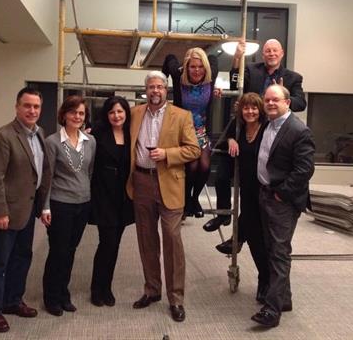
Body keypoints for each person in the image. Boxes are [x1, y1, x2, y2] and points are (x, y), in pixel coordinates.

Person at [213, 38, 307, 250]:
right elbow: (235, 83)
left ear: (281, 53)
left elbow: (300, 103)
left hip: (270, 132)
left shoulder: (293, 77)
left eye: (275, 50)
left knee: (253, 192)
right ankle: (225, 217)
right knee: (231, 178)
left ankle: (239, 238)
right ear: (263, 54)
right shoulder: (251, 70)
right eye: (267, 51)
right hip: (248, 125)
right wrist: (236, 58)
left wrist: (282, 95)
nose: (271, 54)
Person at [0, 87, 51, 333]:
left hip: (27, 209)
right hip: (6, 212)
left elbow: (39, 172)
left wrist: (42, 205)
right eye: (27, 105)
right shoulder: (3, 136)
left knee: (22, 258)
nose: (32, 110)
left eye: (36, 106)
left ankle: (13, 300)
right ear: (17, 107)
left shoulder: (39, 133)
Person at [126, 71, 200, 322]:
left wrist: (167, 154)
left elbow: (193, 150)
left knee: (172, 239)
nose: (155, 91)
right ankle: (152, 290)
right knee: (146, 239)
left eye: (159, 86)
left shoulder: (181, 116)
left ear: (166, 90)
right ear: (145, 90)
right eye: (151, 87)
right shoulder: (135, 113)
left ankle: (176, 298)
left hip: (170, 182)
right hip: (141, 181)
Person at [251, 84, 315, 328]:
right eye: (267, 99)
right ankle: (284, 299)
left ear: (287, 102)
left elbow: (304, 170)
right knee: (272, 249)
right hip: (265, 194)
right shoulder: (268, 124)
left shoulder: (299, 130)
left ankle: (272, 310)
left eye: (275, 100)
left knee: (279, 252)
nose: (270, 103)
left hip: (282, 201)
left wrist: (281, 194)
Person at [41, 95, 96, 317]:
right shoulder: (52, 142)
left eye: (81, 113)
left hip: (82, 204)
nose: (77, 116)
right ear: (64, 115)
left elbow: (89, 172)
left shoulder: (90, 141)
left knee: (71, 251)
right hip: (60, 204)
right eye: (73, 112)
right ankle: (51, 297)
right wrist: (45, 207)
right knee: (58, 251)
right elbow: (47, 177)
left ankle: (63, 293)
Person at [220, 93, 270, 303]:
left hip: (266, 191)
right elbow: (224, 138)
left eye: (254, 108)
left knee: (268, 240)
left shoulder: (267, 128)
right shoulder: (238, 127)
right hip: (247, 191)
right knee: (255, 240)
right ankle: (263, 279)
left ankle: (268, 281)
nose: (250, 112)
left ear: (260, 109)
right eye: (246, 108)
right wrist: (231, 139)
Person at [162, 47, 219, 218]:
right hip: (184, 131)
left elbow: (213, 58)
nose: (197, 70)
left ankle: (195, 199)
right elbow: (169, 56)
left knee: (205, 166)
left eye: (200, 66)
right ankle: (187, 200)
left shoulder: (211, 75)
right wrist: (163, 81)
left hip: (202, 130)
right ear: (186, 67)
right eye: (193, 66)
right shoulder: (178, 75)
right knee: (192, 167)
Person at [89, 96, 134, 307]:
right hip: (103, 195)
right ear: (106, 115)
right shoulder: (97, 133)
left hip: (124, 197)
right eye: (112, 112)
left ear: (126, 113)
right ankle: (96, 288)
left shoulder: (131, 133)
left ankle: (106, 287)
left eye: (120, 111)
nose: (116, 116)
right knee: (106, 242)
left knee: (115, 244)